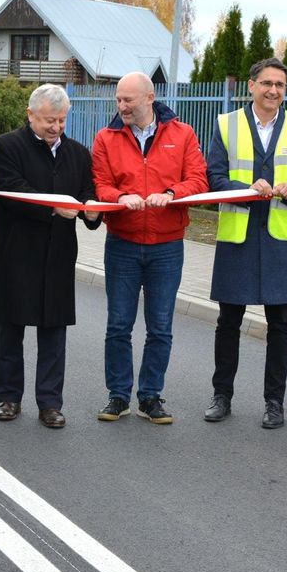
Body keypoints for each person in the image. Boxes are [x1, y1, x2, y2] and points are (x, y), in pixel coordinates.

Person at [204, 58, 287, 429]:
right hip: (237, 236)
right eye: (266, 83)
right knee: (228, 322)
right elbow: (214, 179)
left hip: (279, 239)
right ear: (251, 86)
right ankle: (222, 396)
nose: (273, 91)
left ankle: (274, 402)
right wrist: (246, 190)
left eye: (280, 85)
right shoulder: (226, 124)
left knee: (280, 324)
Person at [90, 71, 208, 425]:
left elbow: (198, 180)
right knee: (118, 325)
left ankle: (151, 396)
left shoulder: (182, 134)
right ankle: (118, 396)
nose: (122, 106)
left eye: (129, 100)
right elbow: (100, 184)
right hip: (122, 243)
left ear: (150, 98)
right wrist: (120, 197)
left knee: (160, 326)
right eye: (118, 100)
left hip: (167, 246)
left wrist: (171, 195)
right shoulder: (106, 138)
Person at [0, 84, 102, 429]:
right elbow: (13, 190)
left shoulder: (79, 153)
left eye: (62, 121)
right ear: (30, 115)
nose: (56, 128)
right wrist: (56, 206)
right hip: (15, 252)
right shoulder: (6, 146)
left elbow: (87, 193)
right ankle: (9, 397)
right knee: (11, 329)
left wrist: (92, 211)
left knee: (54, 331)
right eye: (49, 121)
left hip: (57, 255)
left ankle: (50, 403)